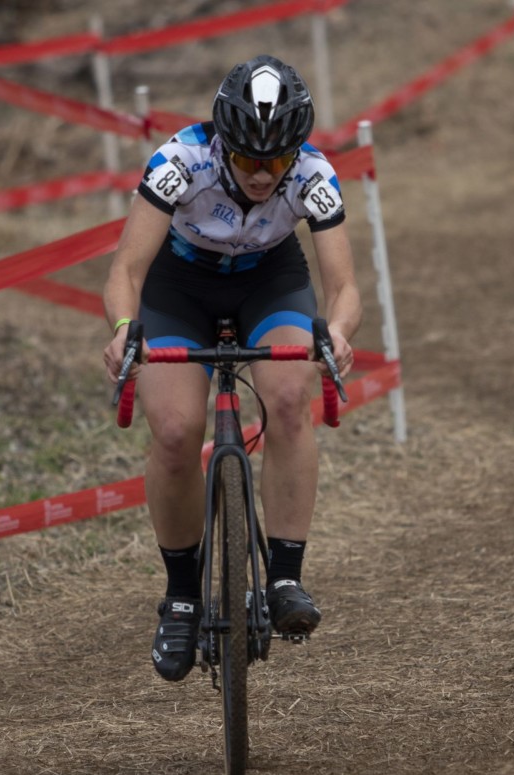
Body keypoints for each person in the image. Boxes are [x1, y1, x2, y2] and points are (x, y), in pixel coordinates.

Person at [101, 54, 362, 682]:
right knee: (172, 429)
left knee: (290, 397)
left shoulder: (314, 172)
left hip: (268, 283)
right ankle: (182, 596)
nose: (264, 175)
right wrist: (121, 331)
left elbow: (344, 287)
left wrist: (341, 334)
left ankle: (285, 580)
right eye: (248, 159)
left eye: (278, 161)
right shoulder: (178, 161)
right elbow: (127, 272)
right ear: (224, 142)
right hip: (179, 286)